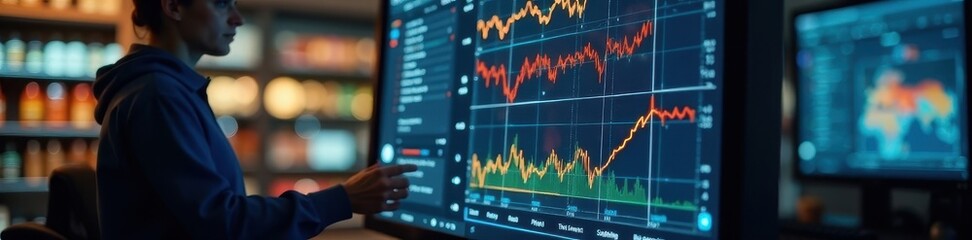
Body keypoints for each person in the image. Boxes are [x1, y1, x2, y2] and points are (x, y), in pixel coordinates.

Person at [92, 0, 417, 239]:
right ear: (174, 6)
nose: (237, 18)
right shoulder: (158, 96)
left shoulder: (166, 89)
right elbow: (221, 221)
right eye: (222, 5)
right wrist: (342, 199)